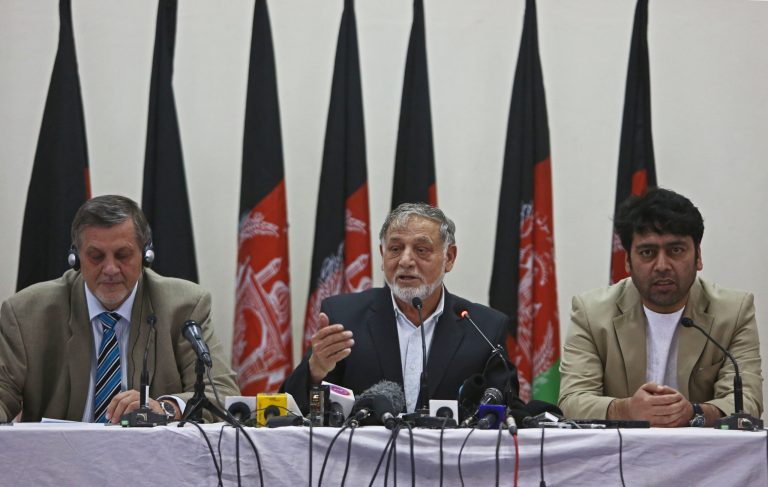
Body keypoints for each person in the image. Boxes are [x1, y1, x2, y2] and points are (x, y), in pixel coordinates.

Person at [0, 195, 239, 423]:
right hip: (58, 452)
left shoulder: (183, 307)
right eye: (96, 256)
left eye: (123, 255)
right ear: (76, 258)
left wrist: (166, 408)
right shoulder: (27, 313)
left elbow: (222, 393)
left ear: (146, 255)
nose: (110, 269)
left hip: (151, 452)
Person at [282, 202, 521, 417]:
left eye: (421, 250)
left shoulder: (484, 328)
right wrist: (315, 371)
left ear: (449, 257)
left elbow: (507, 411)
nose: (405, 260)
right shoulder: (344, 317)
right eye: (395, 249)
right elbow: (290, 409)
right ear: (382, 254)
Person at [559, 188, 763, 427]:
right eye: (648, 252)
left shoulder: (734, 312)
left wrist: (694, 413)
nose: (662, 265)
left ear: (698, 256)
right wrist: (626, 410)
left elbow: (747, 401)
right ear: (627, 261)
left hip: (702, 449)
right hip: (621, 449)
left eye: (676, 250)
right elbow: (572, 401)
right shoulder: (591, 313)